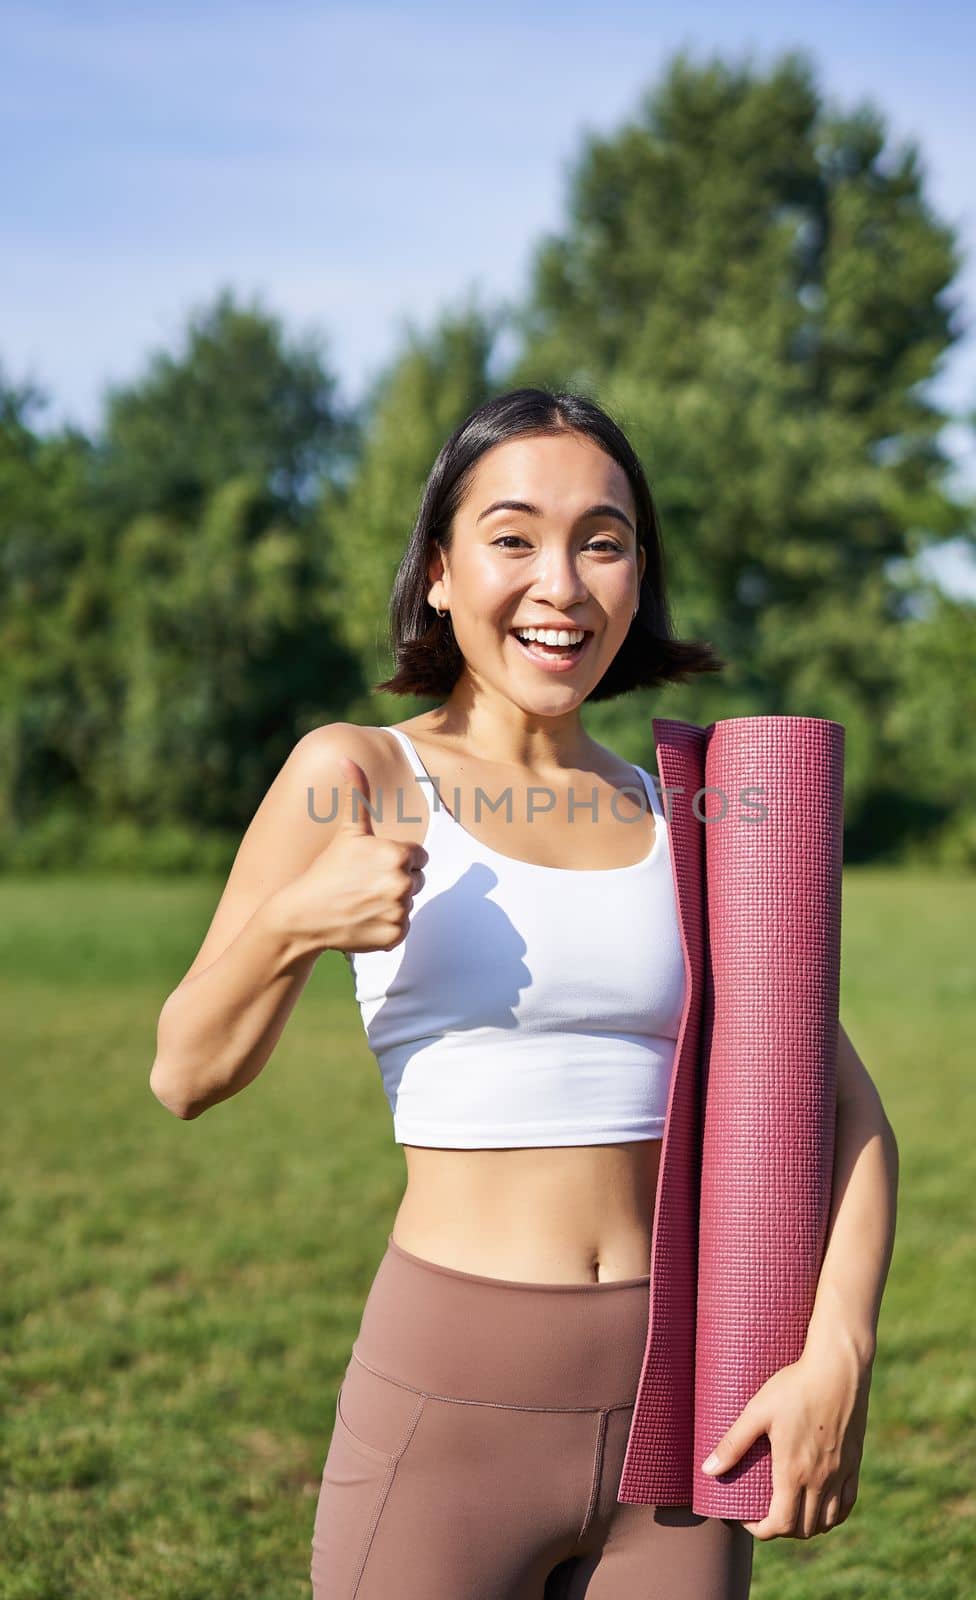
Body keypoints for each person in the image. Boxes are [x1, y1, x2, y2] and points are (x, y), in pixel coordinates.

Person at [150, 389, 887, 1597]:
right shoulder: (355, 774)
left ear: (637, 579)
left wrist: (836, 1349)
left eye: (600, 541)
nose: (560, 582)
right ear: (438, 571)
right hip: (451, 1407)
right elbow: (184, 1072)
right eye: (511, 537)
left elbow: (846, 1112)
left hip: (685, 1407)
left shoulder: (688, 813)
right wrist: (291, 924)